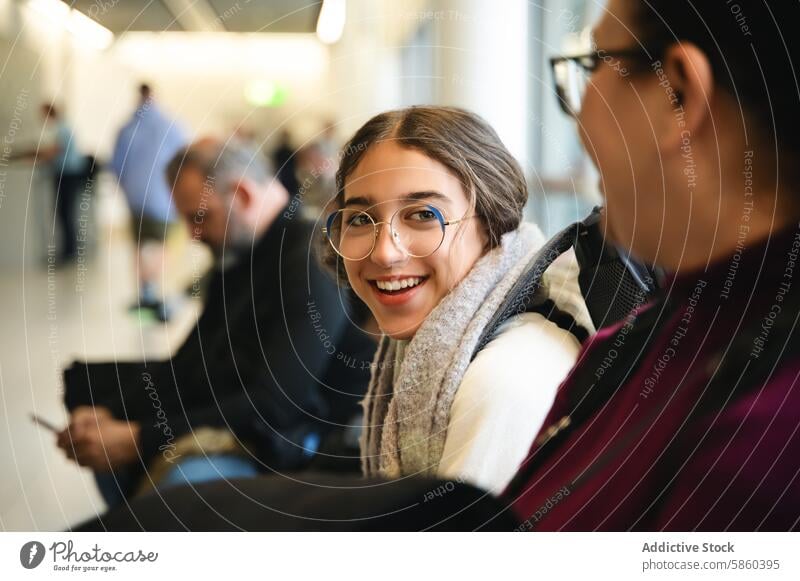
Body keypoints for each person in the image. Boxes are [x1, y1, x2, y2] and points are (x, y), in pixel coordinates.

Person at [503, 0, 800, 530]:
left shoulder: (761, 445)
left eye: (594, 64)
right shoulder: (641, 342)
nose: (579, 107)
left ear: (677, 95)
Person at [58, 140, 374, 507]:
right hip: (246, 408)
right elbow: (194, 360)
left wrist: (139, 438)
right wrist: (111, 411)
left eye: (199, 217)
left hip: (301, 442)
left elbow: (276, 404)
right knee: (87, 390)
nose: (194, 235)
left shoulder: (309, 260)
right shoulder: (240, 253)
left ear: (241, 194)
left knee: (180, 489)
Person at [319, 106, 593, 493]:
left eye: (422, 214)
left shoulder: (504, 379)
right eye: (361, 219)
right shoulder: (461, 343)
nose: (384, 253)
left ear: (492, 221)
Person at [110, 83, 188, 321]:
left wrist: (127, 188)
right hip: (164, 199)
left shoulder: (127, 128)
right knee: (165, 245)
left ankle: (145, 294)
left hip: (136, 199)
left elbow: (116, 165)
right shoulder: (171, 125)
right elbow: (185, 159)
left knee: (140, 246)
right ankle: (153, 289)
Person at [12, 103, 87, 262]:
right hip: (64, 174)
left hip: (68, 175)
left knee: (65, 213)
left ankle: (70, 253)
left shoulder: (62, 129)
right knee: (63, 213)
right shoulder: (60, 128)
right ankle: (69, 251)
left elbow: (55, 150)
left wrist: (34, 157)